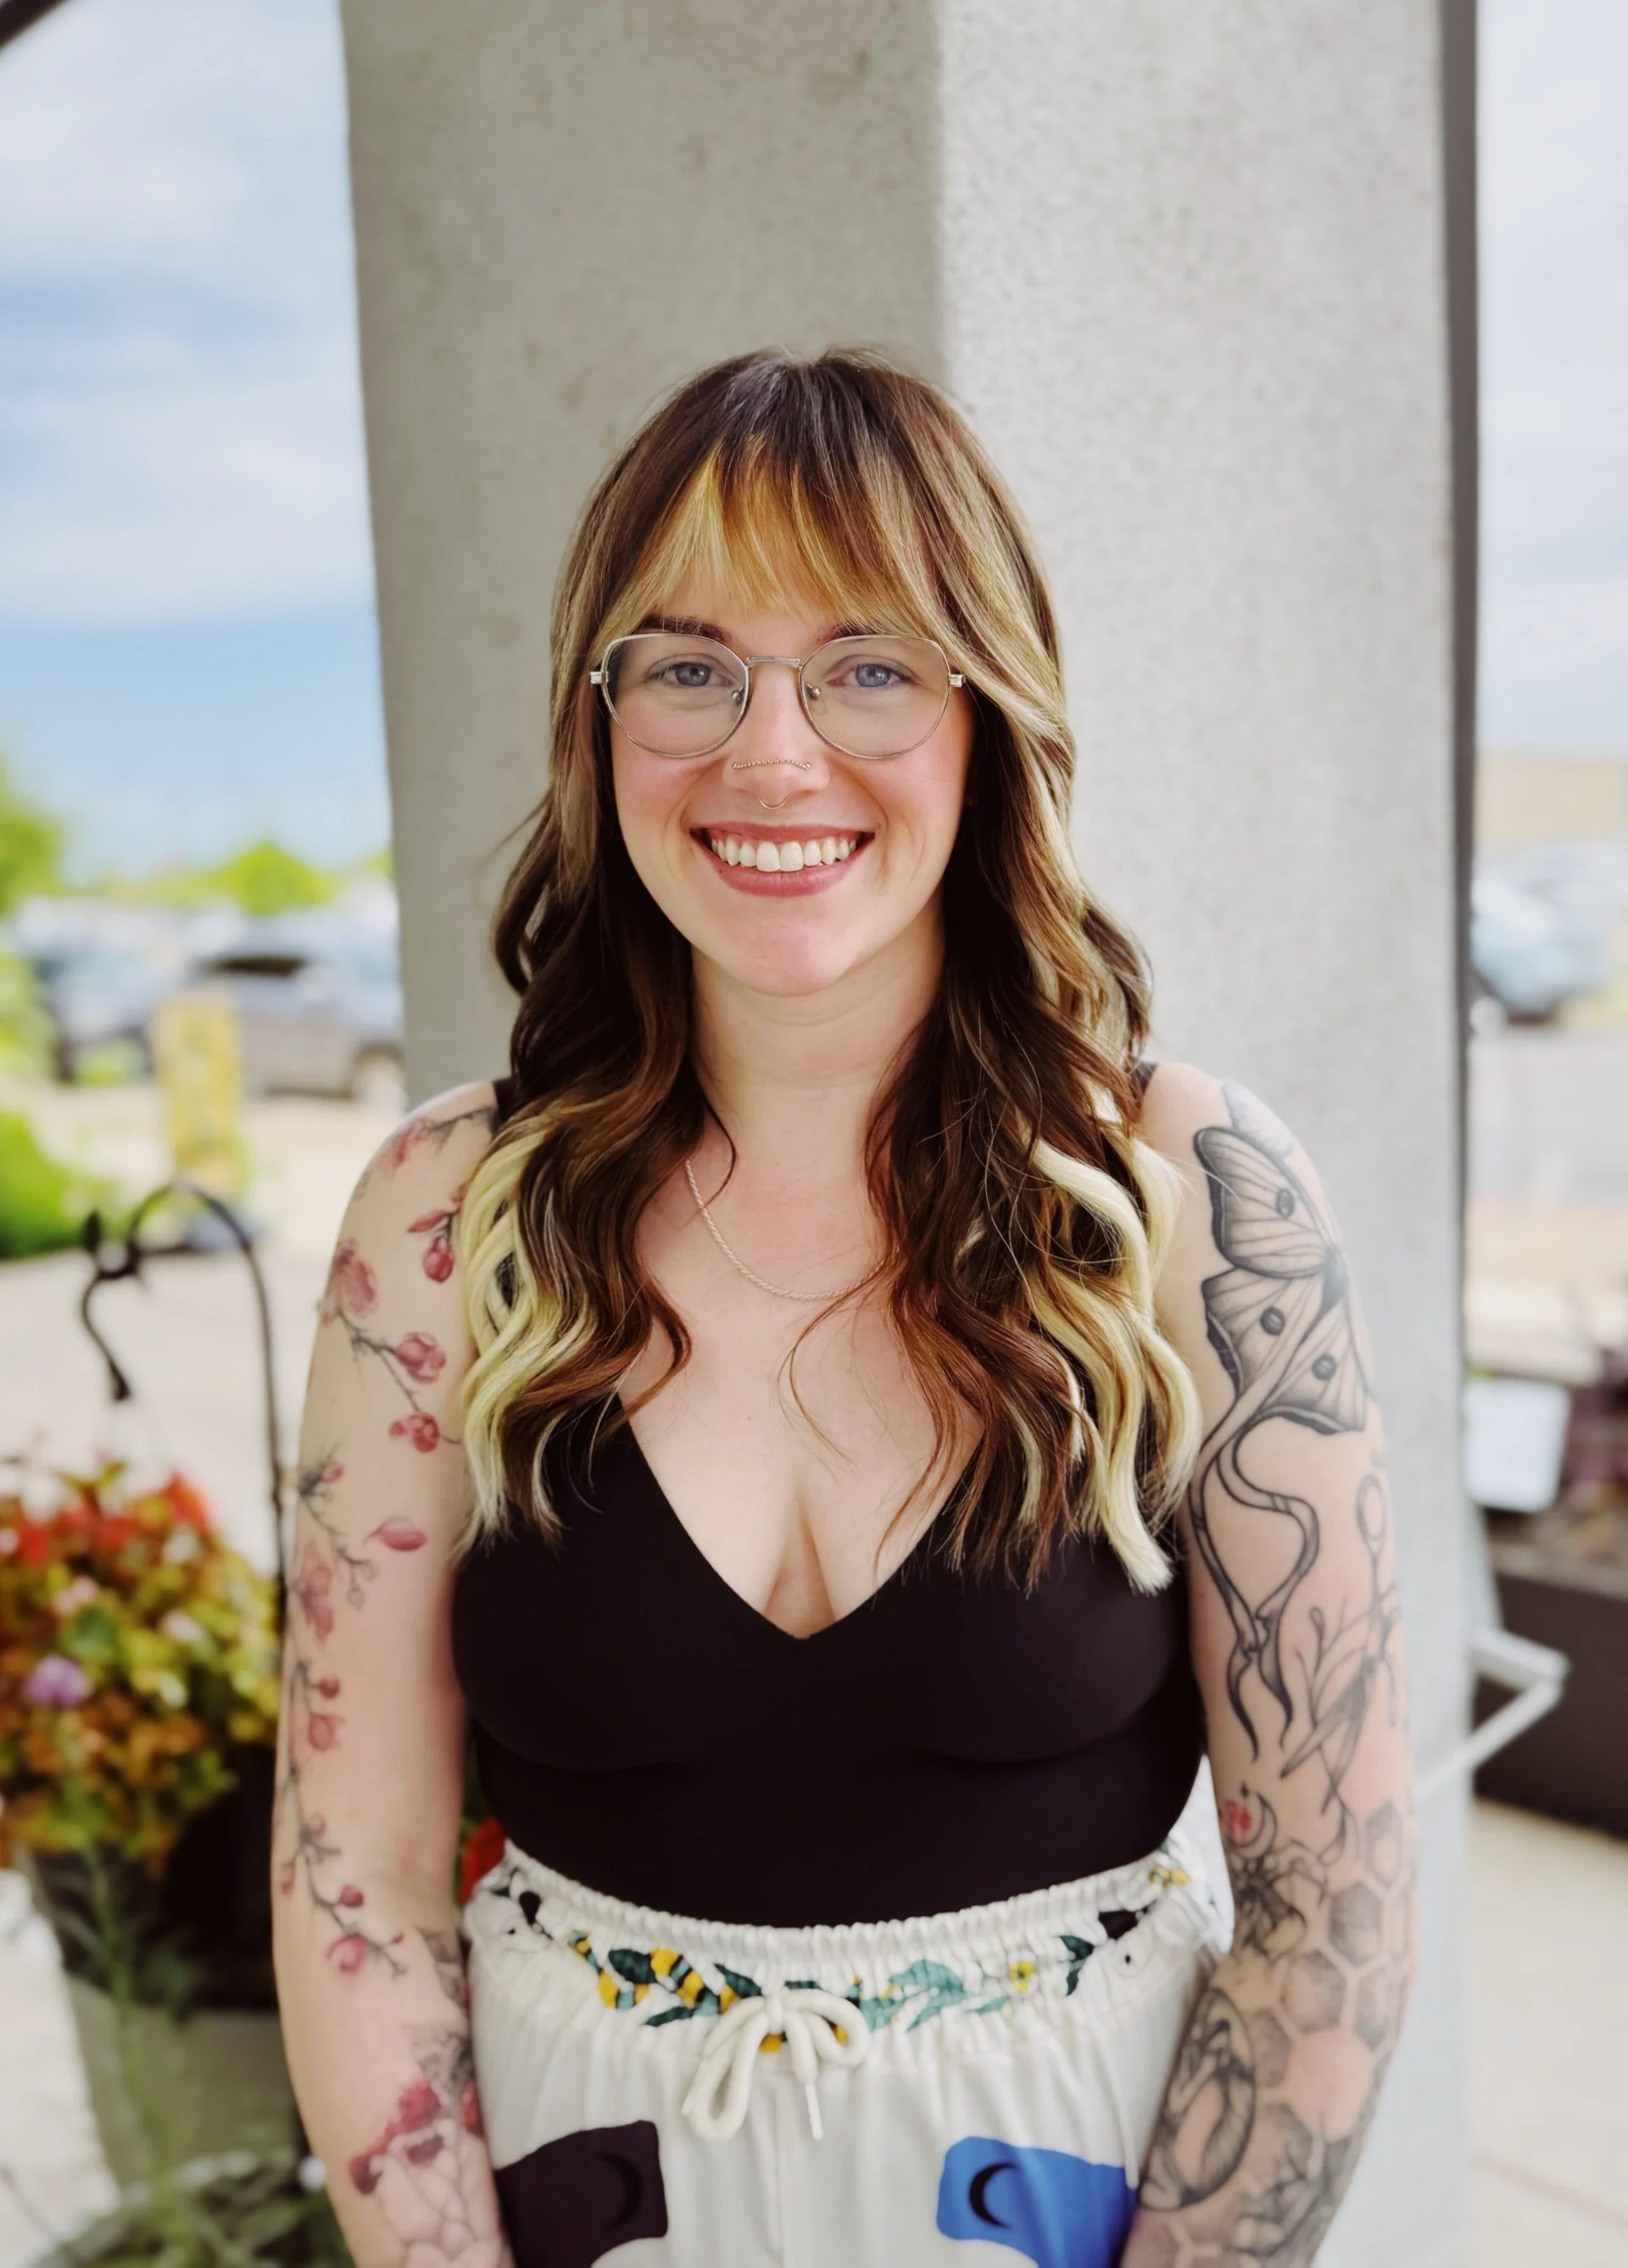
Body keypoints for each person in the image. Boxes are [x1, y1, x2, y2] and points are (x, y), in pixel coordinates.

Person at [271, 348, 1417, 2268]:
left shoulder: (1195, 1202)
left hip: (1075, 2205)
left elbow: (1336, 1899)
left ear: (989, 713)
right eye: (689, 664)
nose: (773, 753)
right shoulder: (447, 1219)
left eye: (870, 663)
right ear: (601, 715)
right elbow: (352, 1886)